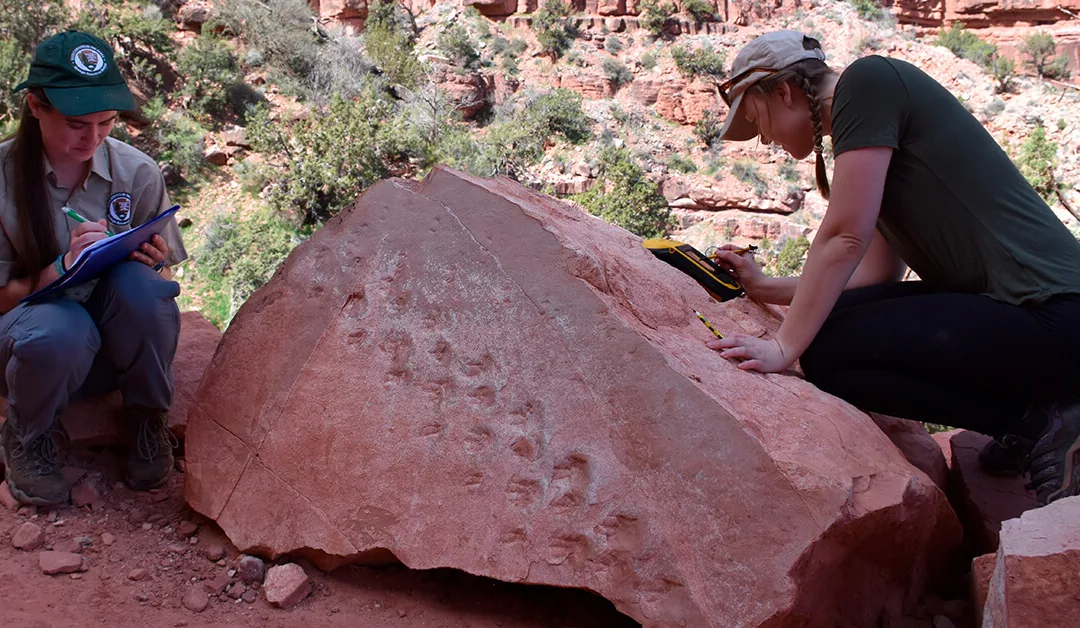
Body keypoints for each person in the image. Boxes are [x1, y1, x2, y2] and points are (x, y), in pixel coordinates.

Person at [707, 30, 1080, 508]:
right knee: (829, 336)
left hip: (1057, 318)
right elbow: (874, 277)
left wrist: (783, 346)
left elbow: (844, 236)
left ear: (783, 92)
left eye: (757, 119)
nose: (763, 138)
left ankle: (1042, 423)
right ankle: (1034, 416)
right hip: (1025, 319)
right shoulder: (868, 133)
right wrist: (763, 287)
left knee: (825, 351)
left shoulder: (866, 83)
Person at [0, 31, 188, 505]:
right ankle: (27, 435)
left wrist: (154, 265)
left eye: (106, 122)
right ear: (36, 107)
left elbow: (165, 289)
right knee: (60, 327)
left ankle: (146, 417)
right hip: (26, 352)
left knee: (144, 289)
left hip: (104, 353)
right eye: (77, 123)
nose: (94, 138)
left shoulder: (136, 173)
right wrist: (60, 267)